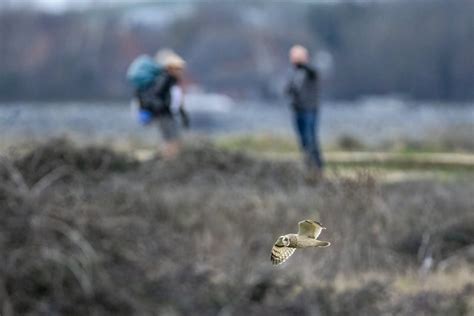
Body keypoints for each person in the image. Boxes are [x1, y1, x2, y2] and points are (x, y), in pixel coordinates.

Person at [285, 45, 324, 176]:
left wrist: (302, 63)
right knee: (303, 140)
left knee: (310, 139)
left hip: (310, 110)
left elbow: (313, 72)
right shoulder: (294, 74)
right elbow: (289, 90)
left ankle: (317, 167)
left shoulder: (310, 72)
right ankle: (309, 166)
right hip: (298, 110)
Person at [153, 51, 188, 158]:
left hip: (170, 114)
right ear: (170, 68)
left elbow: (177, 100)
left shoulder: (172, 81)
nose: (180, 71)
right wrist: (163, 107)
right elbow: (157, 95)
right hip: (164, 115)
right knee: (171, 139)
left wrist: (183, 115)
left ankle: (170, 159)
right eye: (177, 68)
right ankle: (169, 160)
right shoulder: (165, 79)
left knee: (173, 139)